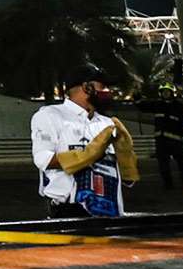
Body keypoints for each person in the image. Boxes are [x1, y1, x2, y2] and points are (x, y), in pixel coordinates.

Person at [28, 62, 136, 217]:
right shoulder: (50, 115)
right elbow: (43, 160)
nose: (108, 92)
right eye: (103, 87)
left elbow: (127, 180)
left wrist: (126, 155)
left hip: (110, 210)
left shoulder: (107, 123)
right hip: (68, 211)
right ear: (87, 87)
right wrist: (87, 154)